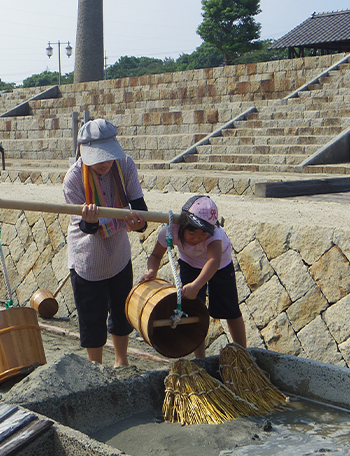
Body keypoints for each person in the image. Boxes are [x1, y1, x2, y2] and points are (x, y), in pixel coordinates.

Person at [63, 119, 148, 367]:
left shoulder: (125, 166)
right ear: (83, 152)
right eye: (98, 158)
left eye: (108, 156)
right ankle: (96, 367)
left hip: (118, 253)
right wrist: (90, 220)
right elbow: (85, 226)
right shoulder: (74, 178)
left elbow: (141, 210)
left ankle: (121, 361)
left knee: (122, 312)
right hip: (87, 256)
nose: (105, 163)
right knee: (92, 317)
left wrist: (138, 223)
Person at [140, 195, 247, 358]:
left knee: (230, 309)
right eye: (192, 232)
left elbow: (214, 261)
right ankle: (200, 358)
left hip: (220, 266)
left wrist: (196, 286)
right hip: (190, 264)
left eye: (203, 233)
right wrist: (152, 271)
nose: (197, 238)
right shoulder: (170, 231)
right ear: (182, 225)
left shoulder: (215, 235)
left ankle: (242, 353)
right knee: (195, 311)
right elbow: (155, 256)